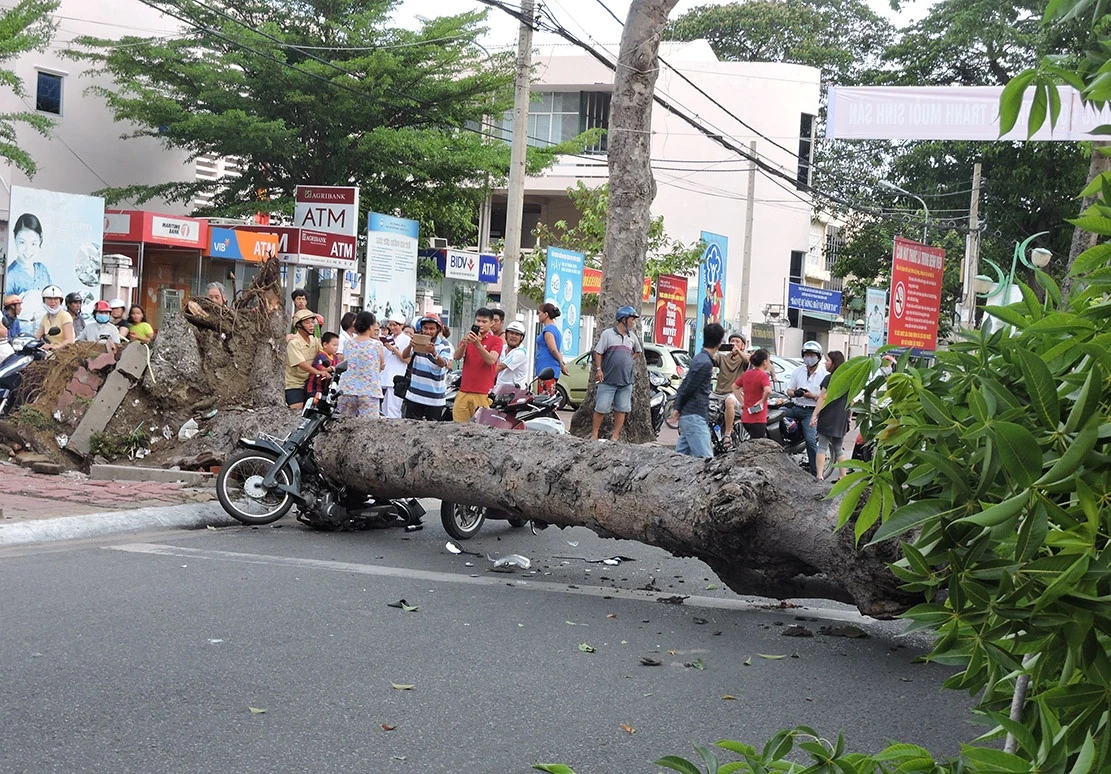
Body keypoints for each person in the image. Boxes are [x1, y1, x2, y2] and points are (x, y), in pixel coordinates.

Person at [670, 323, 723, 458]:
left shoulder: (700, 358)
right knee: (707, 460)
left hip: (690, 415)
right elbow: (688, 387)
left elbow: (686, 384)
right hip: (694, 415)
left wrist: (678, 407)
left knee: (680, 459)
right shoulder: (704, 363)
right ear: (719, 343)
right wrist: (678, 407)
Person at [591, 305, 643, 441]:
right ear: (623, 319)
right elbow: (598, 352)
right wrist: (599, 369)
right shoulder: (608, 334)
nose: (633, 322)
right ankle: (594, 435)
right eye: (632, 319)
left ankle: (615, 436)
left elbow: (637, 351)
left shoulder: (632, 337)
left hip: (626, 380)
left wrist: (628, 360)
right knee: (601, 408)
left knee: (622, 409)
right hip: (608, 379)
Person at [452, 307, 503, 422]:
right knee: (459, 427)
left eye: (484, 322)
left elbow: (491, 360)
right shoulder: (468, 338)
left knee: (480, 427)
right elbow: (456, 357)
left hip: (483, 393)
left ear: (491, 323)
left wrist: (478, 344)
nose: (480, 324)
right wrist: (465, 344)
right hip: (464, 391)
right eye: (478, 321)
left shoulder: (496, 341)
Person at [785, 340, 828, 476]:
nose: (809, 358)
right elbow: (789, 391)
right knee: (776, 417)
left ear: (819, 357)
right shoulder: (798, 371)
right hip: (796, 407)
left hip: (811, 411)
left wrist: (812, 396)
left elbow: (824, 397)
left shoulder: (824, 374)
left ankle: (815, 473)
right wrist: (795, 393)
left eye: (812, 355)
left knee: (810, 441)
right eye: (807, 354)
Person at [401, 314, 453, 420]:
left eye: (432, 328)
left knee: (432, 433)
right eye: (425, 328)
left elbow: (443, 363)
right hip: (414, 396)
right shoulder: (417, 340)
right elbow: (404, 355)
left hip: (434, 399)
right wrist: (410, 346)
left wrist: (433, 352)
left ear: (438, 329)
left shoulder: (444, 345)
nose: (428, 331)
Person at [810, 350, 849, 481]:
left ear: (834, 363)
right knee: (838, 447)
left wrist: (814, 415)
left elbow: (823, 398)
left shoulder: (829, 378)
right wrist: (849, 416)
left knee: (822, 446)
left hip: (828, 416)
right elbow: (852, 399)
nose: (825, 363)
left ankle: (820, 474)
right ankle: (843, 475)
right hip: (842, 416)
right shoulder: (848, 378)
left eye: (827, 360)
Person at [339, 312, 387, 417]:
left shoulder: (347, 343)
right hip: (369, 391)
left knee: (344, 425)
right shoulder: (377, 345)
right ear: (370, 326)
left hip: (347, 389)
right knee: (368, 427)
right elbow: (381, 364)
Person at [285, 308, 328, 410]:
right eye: (307, 323)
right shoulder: (294, 343)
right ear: (299, 325)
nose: (311, 325)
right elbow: (301, 363)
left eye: (312, 322)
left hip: (312, 383)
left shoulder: (315, 340)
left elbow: (324, 353)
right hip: (295, 384)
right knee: (297, 410)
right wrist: (319, 372)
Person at [712, 332, 749, 449]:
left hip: (735, 394)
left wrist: (738, 351)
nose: (734, 343)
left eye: (737, 341)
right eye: (732, 341)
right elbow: (711, 358)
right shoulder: (722, 358)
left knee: (729, 401)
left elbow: (747, 360)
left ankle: (727, 434)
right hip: (717, 393)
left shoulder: (743, 359)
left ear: (743, 345)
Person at [6, 213, 51, 298]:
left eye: (33, 243)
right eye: (22, 242)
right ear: (15, 238)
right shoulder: (10, 276)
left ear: (40, 239)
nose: (28, 250)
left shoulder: (42, 270)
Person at [379, 313, 411, 418]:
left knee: (393, 408)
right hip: (384, 377)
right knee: (384, 408)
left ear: (401, 326)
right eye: (391, 325)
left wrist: (394, 350)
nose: (392, 328)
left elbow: (407, 360)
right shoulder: (388, 338)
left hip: (397, 377)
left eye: (395, 325)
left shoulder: (406, 340)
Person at [737, 349, 773, 439]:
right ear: (765, 362)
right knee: (758, 446)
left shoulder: (747, 374)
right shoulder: (763, 375)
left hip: (746, 417)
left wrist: (742, 402)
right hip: (758, 418)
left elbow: (734, 387)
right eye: (769, 360)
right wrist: (762, 401)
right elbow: (768, 390)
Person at [535, 302, 568, 394]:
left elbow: (553, 349)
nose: (538, 315)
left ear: (546, 314)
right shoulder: (556, 329)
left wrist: (561, 363)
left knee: (545, 397)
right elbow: (558, 350)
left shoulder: (548, 330)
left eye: (539, 313)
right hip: (550, 368)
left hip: (547, 369)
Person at [306, 332, 341, 397]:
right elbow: (321, 367)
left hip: (326, 388)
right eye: (334, 345)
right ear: (325, 345)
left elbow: (339, 366)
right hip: (314, 387)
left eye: (337, 346)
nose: (336, 348)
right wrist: (331, 368)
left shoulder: (335, 357)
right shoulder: (321, 355)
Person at [496, 321, 529, 387]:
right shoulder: (502, 348)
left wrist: (482, 377)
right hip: (499, 388)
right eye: (511, 333)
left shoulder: (521, 352)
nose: (513, 336)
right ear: (506, 334)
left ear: (521, 338)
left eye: (517, 334)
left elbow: (500, 367)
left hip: (515, 391)